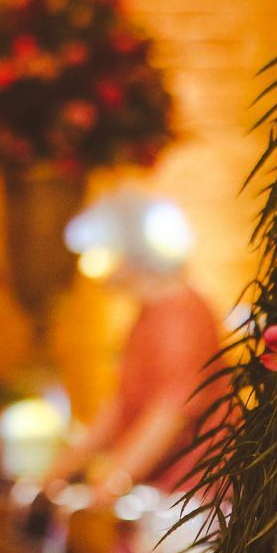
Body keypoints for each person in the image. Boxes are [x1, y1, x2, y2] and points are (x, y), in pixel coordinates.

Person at [43, 189, 223, 507]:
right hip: (160, 495)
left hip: (190, 500)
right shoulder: (147, 315)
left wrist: (113, 481)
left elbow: (171, 412)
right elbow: (121, 404)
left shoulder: (180, 316)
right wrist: (64, 467)